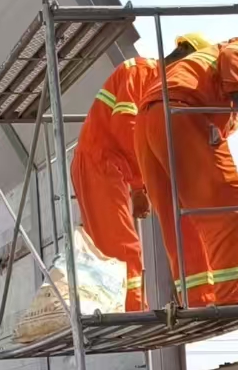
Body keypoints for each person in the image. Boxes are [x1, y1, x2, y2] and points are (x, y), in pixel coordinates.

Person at [70, 34, 208, 312]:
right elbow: (127, 128)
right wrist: (139, 186)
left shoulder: (156, 86)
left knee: (114, 246)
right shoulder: (139, 72)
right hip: (101, 163)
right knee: (123, 246)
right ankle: (131, 309)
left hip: (110, 164)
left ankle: (123, 306)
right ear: (184, 55)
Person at [134, 35, 238, 306]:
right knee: (231, 203)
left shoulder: (199, 74)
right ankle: (233, 293)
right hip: (180, 111)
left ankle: (197, 297)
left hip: (149, 119)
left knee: (181, 216)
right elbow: (236, 56)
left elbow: (219, 131)